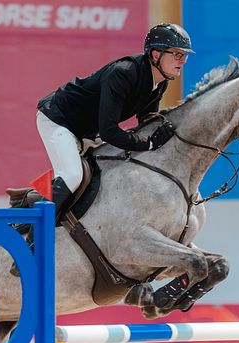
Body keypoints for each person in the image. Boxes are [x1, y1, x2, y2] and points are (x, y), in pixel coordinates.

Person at [35, 23, 193, 221]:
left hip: (86, 131)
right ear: (155, 55)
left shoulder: (160, 83)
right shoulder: (123, 73)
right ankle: (33, 231)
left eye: (184, 55)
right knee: (72, 175)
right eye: (177, 54)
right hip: (59, 118)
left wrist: (166, 131)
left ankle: (31, 202)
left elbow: (146, 122)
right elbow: (109, 131)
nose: (183, 60)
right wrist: (149, 143)